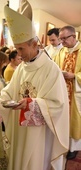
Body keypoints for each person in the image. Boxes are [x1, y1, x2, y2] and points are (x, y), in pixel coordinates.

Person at [0, 2, 69, 170]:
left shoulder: (51, 70)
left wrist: (32, 104)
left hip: (39, 134)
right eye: (16, 49)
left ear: (35, 44)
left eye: (21, 48)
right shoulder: (22, 67)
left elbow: (57, 104)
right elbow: (8, 92)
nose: (19, 54)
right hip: (19, 130)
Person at [54, 25, 81, 160]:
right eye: (61, 39)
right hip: (62, 91)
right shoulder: (60, 52)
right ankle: (63, 144)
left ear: (74, 36)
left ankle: (74, 147)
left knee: (75, 120)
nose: (62, 42)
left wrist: (75, 76)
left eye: (64, 38)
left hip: (76, 93)